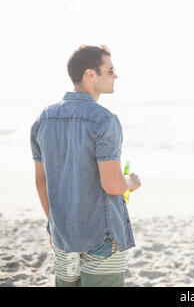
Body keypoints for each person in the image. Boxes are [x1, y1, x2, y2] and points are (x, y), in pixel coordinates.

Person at [30, 45, 141, 287]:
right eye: (110, 70)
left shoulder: (43, 119)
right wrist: (131, 182)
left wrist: (54, 224)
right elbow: (112, 185)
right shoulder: (104, 120)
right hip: (101, 236)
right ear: (90, 74)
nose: (115, 76)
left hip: (62, 234)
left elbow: (41, 181)